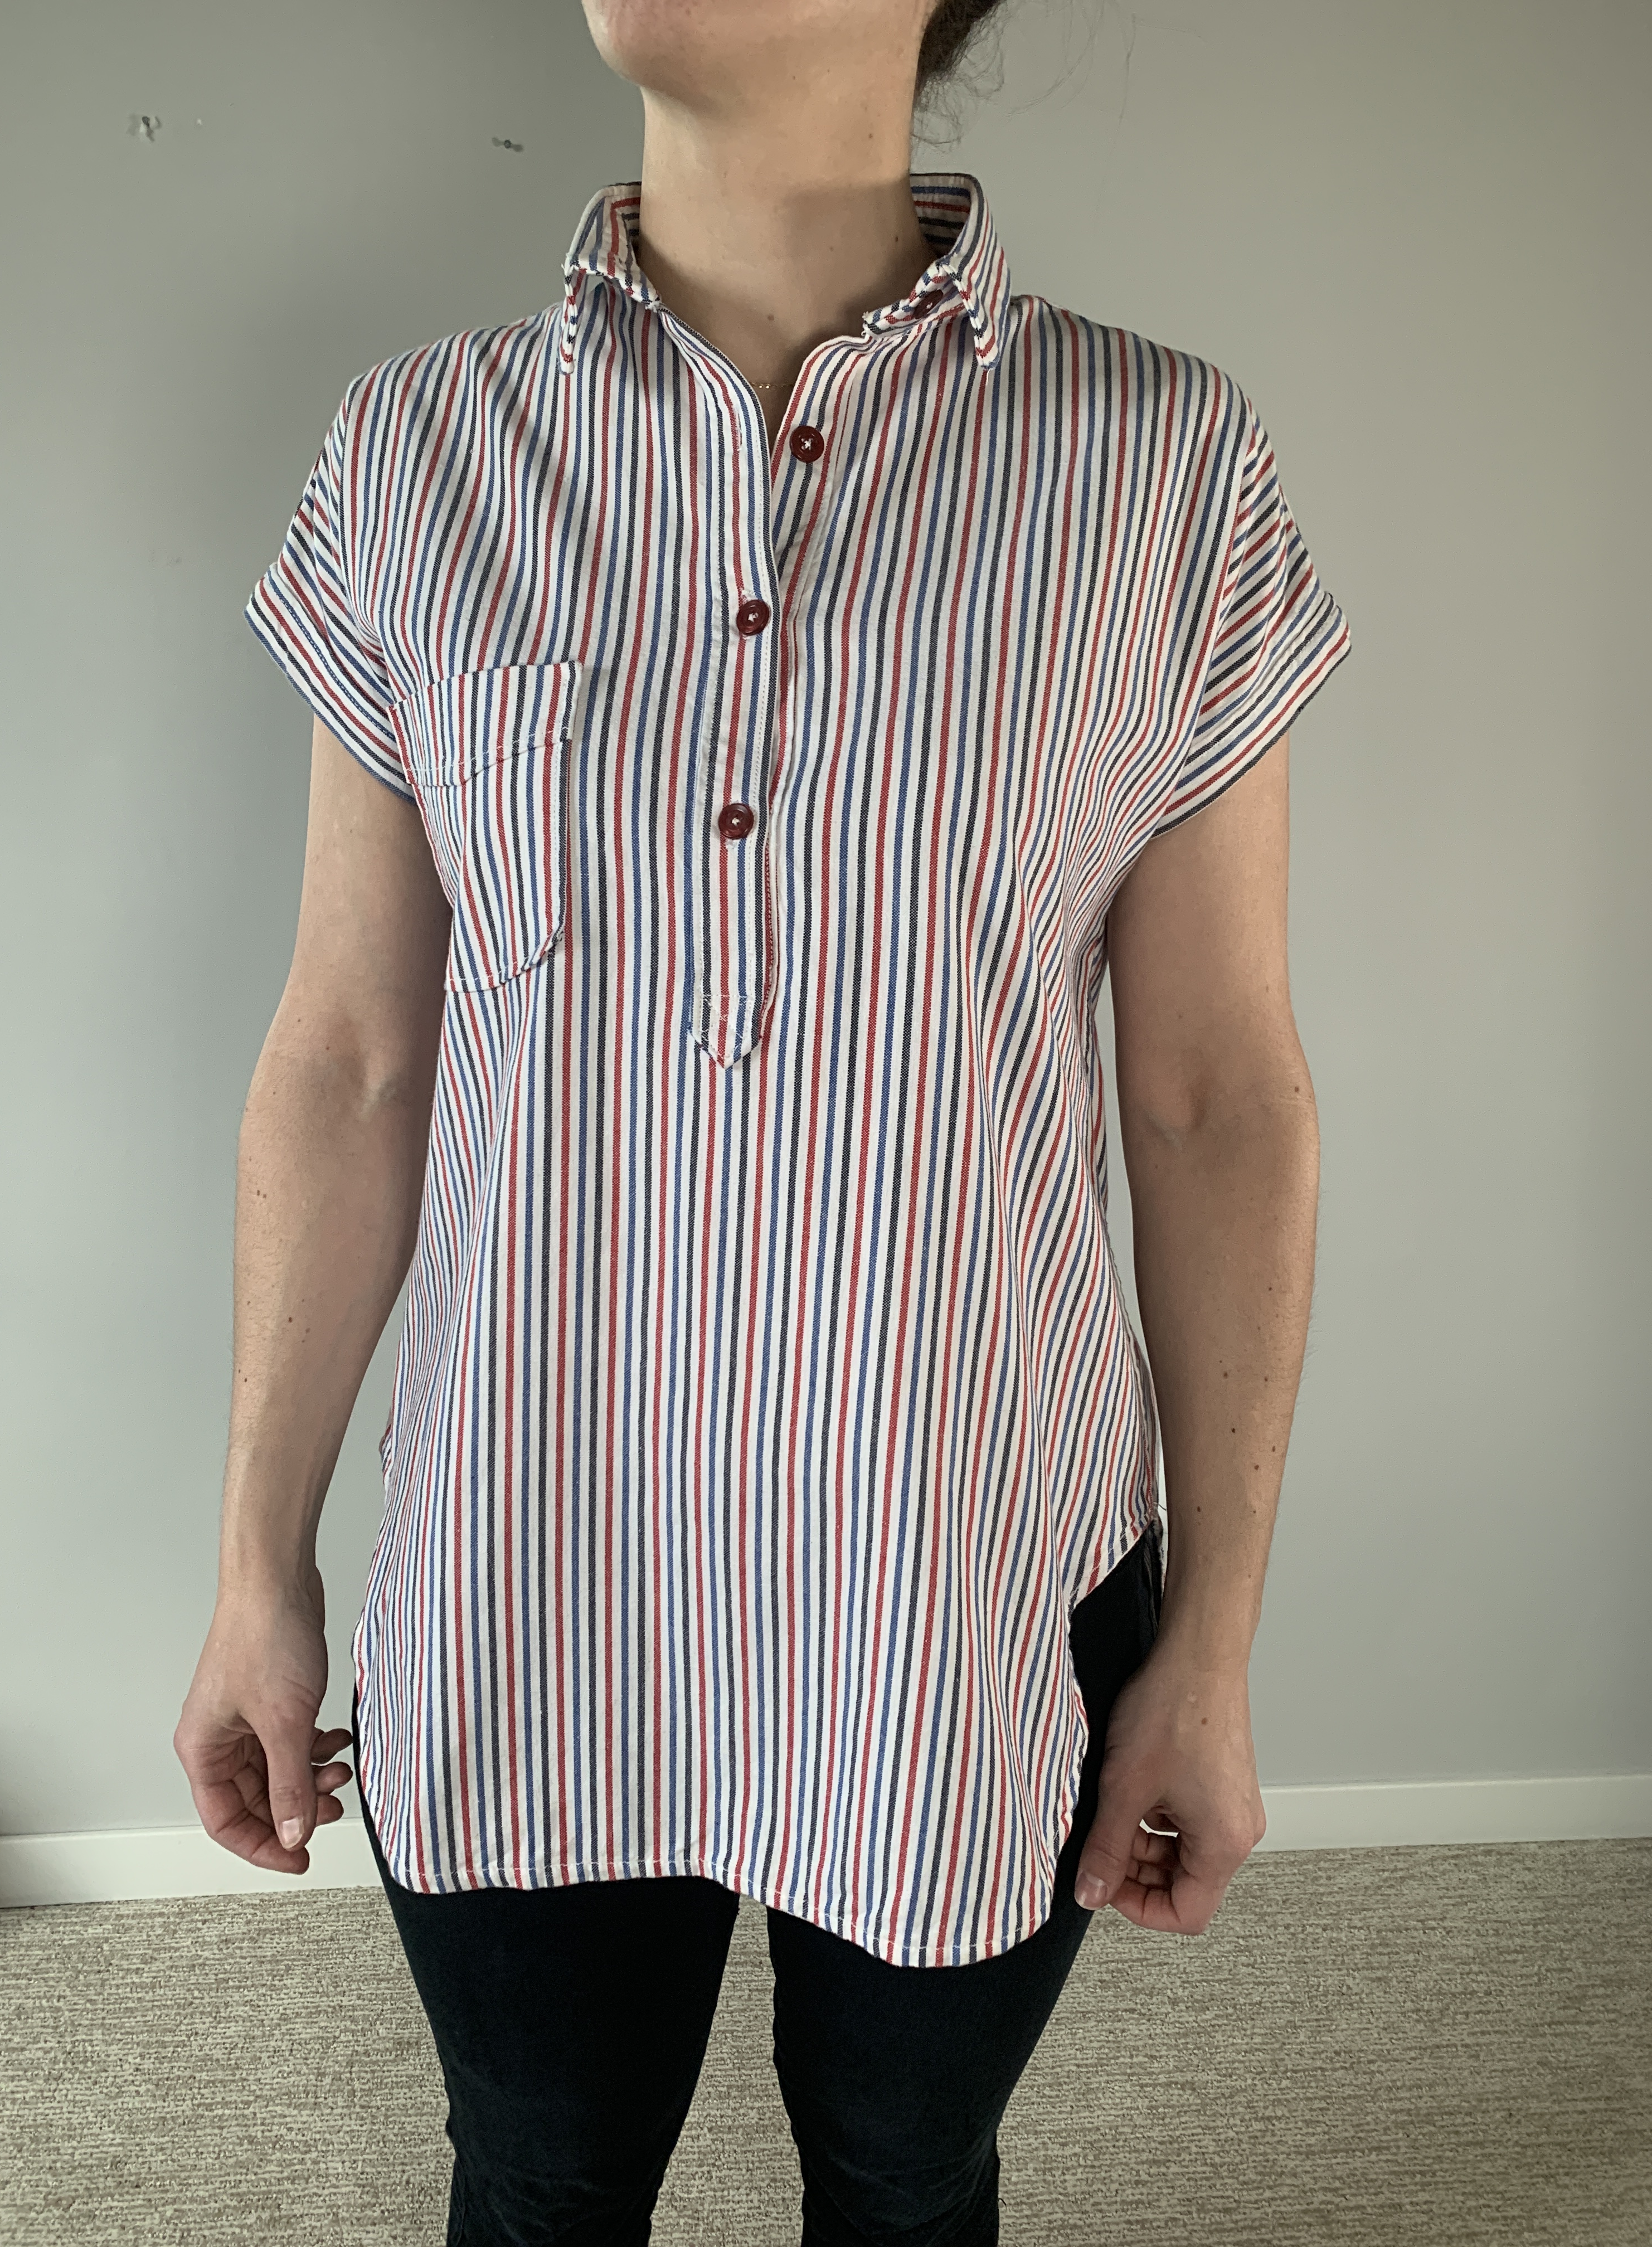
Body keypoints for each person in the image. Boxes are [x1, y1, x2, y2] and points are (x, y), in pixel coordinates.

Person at [174, 0, 1352, 2238]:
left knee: (908, 2178)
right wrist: (258, 1562)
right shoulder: (425, 451)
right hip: (529, 1554)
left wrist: (1212, 1643)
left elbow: (1217, 1103)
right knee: (541, 2180)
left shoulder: (1162, 467)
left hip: (965, 1569)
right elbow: (347, 1058)